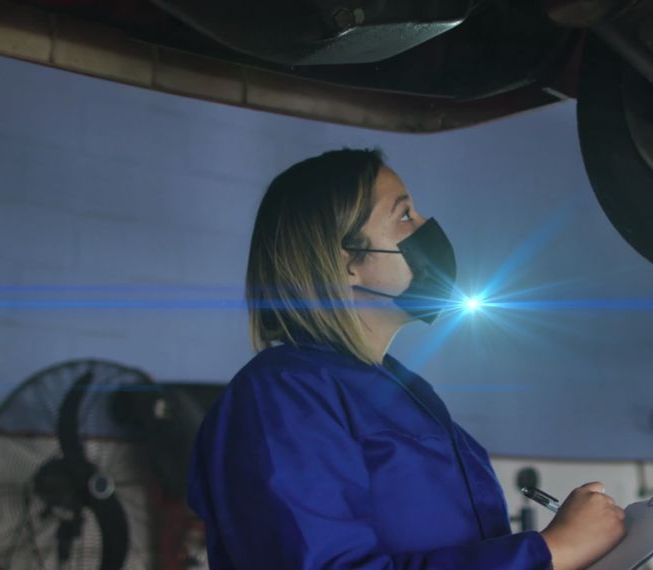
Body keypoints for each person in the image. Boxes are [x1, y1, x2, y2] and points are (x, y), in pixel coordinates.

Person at [187, 148, 627, 569]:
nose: (426, 228)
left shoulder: (409, 392)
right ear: (347, 263)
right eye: (404, 215)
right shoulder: (282, 397)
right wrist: (551, 550)